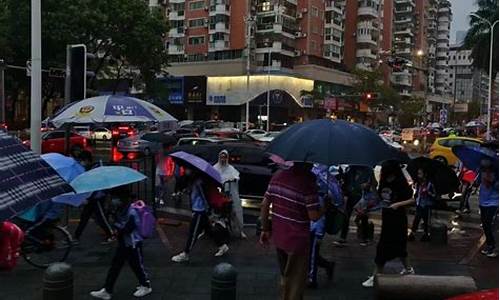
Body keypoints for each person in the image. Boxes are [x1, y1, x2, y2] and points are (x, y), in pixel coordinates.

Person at [259, 163, 322, 300]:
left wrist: (265, 229)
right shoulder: (307, 183)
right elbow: (314, 216)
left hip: (279, 236)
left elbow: (264, 204)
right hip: (297, 242)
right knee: (295, 283)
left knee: (286, 277)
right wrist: (325, 207)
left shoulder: (278, 177)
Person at [90, 188, 152, 300]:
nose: (114, 200)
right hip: (125, 243)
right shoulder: (120, 208)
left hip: (133, 243)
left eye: (116, 198)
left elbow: (128, 228)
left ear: (123, 198)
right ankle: (107, 290)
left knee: (137, 265)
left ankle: (146, 285)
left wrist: (117, 230)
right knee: (116, 265)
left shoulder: (132, 211)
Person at [362, 160, 415, 288]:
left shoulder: (401, 182)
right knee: (399, 247)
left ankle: (376, 275)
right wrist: (372, 186)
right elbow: (380, 197)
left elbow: (412, 199)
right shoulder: (384, 181)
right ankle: (408, 269)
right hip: (387, 217)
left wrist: (398, 204)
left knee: (384, 247)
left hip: (398, 218)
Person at [171, 168, 230, 263]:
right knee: (208, 230)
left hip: (200, 210)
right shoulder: (193, 181)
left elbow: (204, 196)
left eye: (188, 169)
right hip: (198, 209)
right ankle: (222, 246)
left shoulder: (199, 182)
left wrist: (208, 211)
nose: (186, 171)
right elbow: (193, 193)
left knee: (193, 233)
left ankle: (185, 253)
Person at [74, 152, 115, 244]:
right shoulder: (91, 168)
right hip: (92, 197)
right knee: (85, 217)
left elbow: (95, 185)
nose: (81, 163)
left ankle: (111, 234)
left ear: (87, 160)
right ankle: (76, 237)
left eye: (82, 161)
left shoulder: (93, 170)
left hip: (96, 197)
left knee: (100, 217)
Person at [308, 165, 336, 289]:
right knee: (309, 252)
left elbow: (319, 216)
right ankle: (327, 265)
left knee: (312, 252)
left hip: (315, 225)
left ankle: (311, 279)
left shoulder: (326, 179)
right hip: (306, 224)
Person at [334, 166, 373, 247]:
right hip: (350, 196)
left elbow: (374, 184)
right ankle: (343, 237)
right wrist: (340, 174)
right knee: (346, 216)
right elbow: (345, 181)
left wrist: (368, 185)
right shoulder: (350, 169)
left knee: (363, 217)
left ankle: (365, 238)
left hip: (361, 197)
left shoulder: (368, 170)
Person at [213, 149, 247, 239]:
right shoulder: (215, 168)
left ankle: (240, 230)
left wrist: (233, 179)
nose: (223, 159)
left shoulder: (230, 168)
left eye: (225, 157)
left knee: (235, 211)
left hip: (230, 194)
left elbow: (236, 176)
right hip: (219, 194)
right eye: (221, 157)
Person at [478, 158, 499, 257]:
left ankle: (494, 247)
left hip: (493, 202)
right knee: (485, 224)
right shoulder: (481, 172)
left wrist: (492, 182)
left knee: (490, 224)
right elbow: (478, 183)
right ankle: (490, 245)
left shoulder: (497, 173)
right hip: (482, 201)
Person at [408, 168, 436, 242]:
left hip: (427, 205)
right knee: (417, 219)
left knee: (426, 220)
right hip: (419, 204)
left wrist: (428, 193)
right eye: (418, 174)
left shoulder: (430, 184)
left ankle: (426, 234)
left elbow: (434, 195)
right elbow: (416, 194)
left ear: (425, 175)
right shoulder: (418, 184)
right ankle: (413, 233)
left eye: (420, 174)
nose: (418, 175)